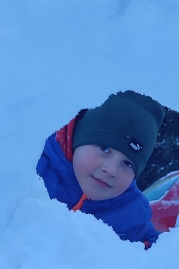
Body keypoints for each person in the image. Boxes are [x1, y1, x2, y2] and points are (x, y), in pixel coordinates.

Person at [37, 91, 164, 247]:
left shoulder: (131, 212)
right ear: (78, 138)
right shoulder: (33, 168)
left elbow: (161, 253)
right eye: (105, 148)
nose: (111, 170)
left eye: (128, 163)